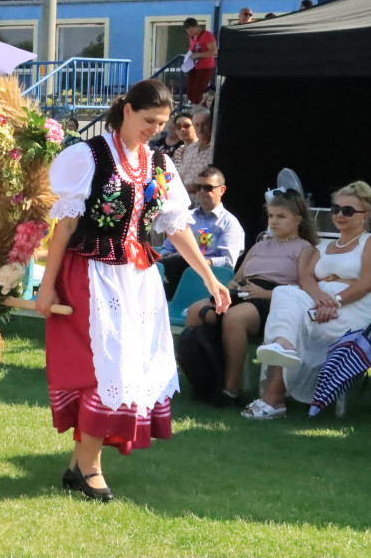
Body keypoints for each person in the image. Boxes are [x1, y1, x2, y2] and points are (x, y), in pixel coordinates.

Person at [35, 79, 230, 502]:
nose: (154, 129)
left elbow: (175, 227)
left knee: (130, 369)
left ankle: (77, 464)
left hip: (138, 278)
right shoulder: (87, 156)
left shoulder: (160, 163)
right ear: (126, 111)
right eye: (148, 120)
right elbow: (65, 225)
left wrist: (211, 277)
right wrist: (47, 287)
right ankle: (90, 467)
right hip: (90, 274)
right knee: (106, 370)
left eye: (161, 123)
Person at [244, 181, 371, 419]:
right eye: (336, 209)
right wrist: (320, 297)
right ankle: (284, 346)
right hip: (322, 303)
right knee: (284, 293)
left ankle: (272, 400)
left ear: (365, 216)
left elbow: (366, 283)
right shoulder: (325, 245)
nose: (339, 215)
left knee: (301, 322)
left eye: (348, 210)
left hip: (359, 307)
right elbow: (306, 277)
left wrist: (335, 301)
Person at [185, 189, 317, 405]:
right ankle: (203, 384)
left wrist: (265, 293)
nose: (274, 222)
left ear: (298, 219)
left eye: (281, 217)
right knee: (195, 311)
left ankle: (231, 390)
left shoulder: (305, 248)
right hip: (245, 292)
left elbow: (305, 287)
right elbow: (237, 278)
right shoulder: (259, 246)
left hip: (276, 299)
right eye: (271, 216)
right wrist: (232, 287)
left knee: (235, 318)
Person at [158, 166, 245, 298]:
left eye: (208, 188)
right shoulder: (186, 217)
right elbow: (166, 248)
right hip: (176, 276)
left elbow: (228, 261)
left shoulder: (230, 223)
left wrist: (198, 262)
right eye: (199, 188)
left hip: (209, 281)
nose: (202, 192)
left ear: (222, 190)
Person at [174, 108, 213, 193]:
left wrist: (191, 188)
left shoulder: (215, 151)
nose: (200, 128)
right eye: (197, 125)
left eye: (204, 124)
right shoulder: (190, 149)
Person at [182, 17, 217, 106]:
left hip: (206, 67)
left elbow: (214, 51)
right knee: (190, 90)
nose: (189, 33)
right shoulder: (192, 37)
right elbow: (191, 48)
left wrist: (197, 55)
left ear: (195, 27)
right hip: (194, 67)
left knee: (198, 90)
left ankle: (199, 110)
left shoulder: (207, 35)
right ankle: (194, 109)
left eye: (190, 30)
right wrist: (188, 57)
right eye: (187, 31)